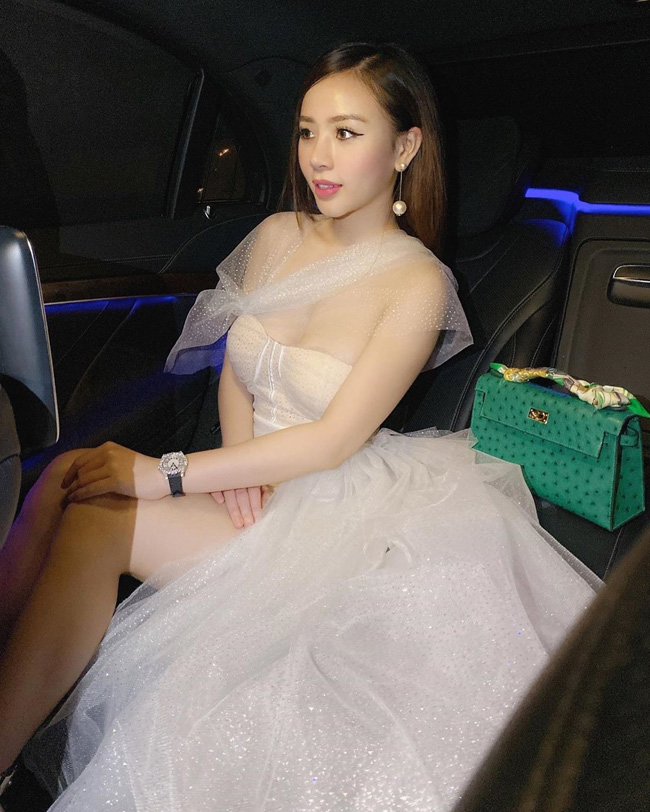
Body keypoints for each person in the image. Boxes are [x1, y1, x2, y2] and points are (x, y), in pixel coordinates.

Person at [0, 42, 601, 811]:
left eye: (347, 133)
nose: (319, 156)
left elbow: (332, 440)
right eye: (308, 131)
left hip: (330, 508)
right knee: (66, 472)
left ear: (405, 148)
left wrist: (165, 472)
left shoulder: (419, 284)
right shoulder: (278, 235)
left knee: (98, 515)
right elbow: (237, 366)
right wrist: (238, 465)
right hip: (251, 473)